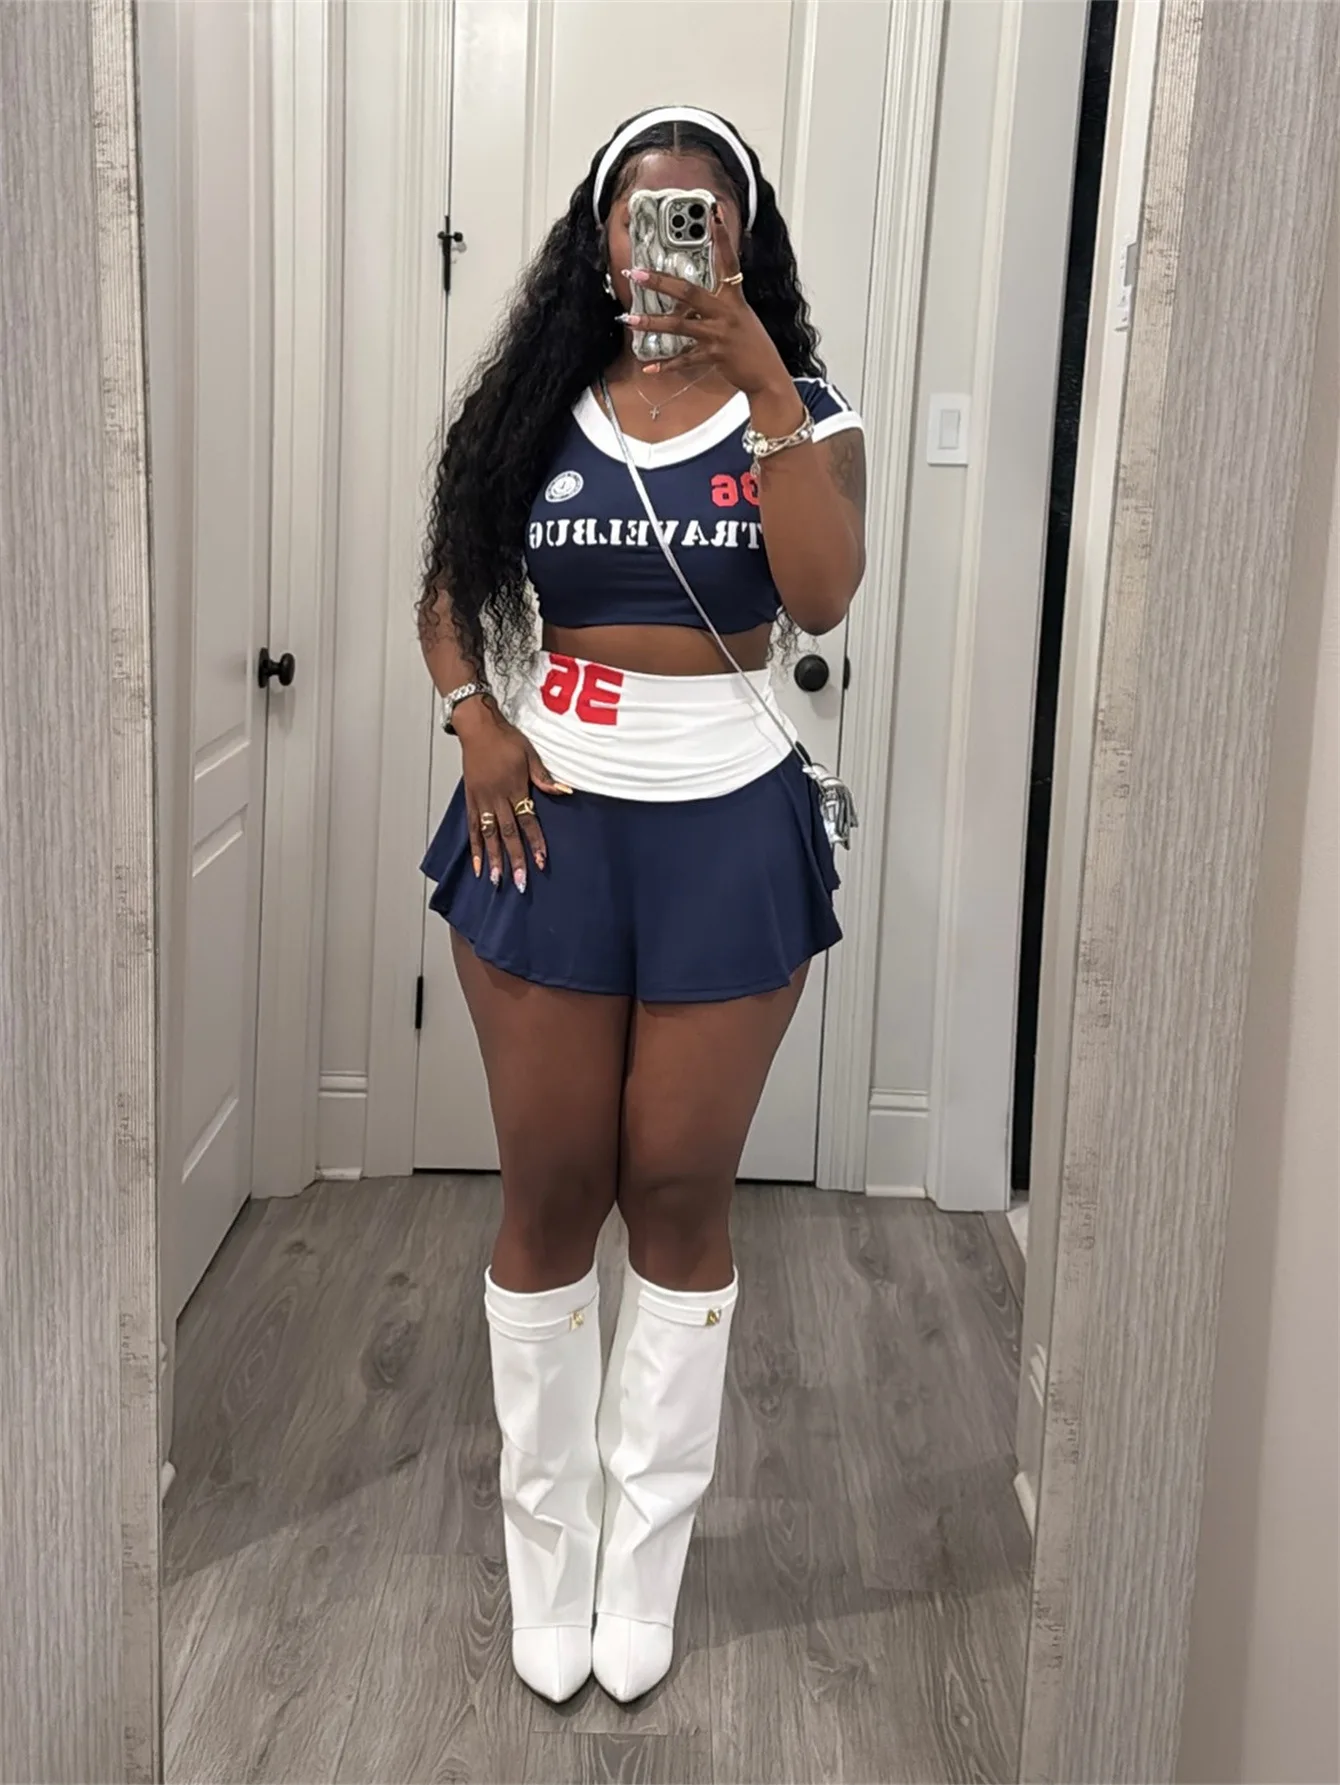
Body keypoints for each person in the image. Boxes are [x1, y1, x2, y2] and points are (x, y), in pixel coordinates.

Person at [418, 105, 866, 1705]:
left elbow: (819, 598)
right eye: (646, 209)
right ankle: (550, 1562)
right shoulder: (536, 405)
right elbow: (453, 587)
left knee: (676, 1185)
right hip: (547, 813)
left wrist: (765, 388)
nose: (674, 234)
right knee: (551, 1186)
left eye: (706, 211)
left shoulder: (808, 411)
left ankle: (643, 1568)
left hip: (727, 818)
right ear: (599, 235)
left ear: (745, 235)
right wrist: (474, 718)